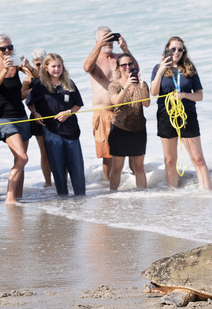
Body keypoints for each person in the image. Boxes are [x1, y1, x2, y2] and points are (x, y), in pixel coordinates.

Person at [150, 36, 212, 190]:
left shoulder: (189, 68)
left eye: (180, 49)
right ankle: (173, 198)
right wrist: (161, 70)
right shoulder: (159, 68)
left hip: (187, 116)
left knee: (198, 159)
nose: (176, 52)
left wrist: (184, 95)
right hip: (166, 116)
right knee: (170, 161)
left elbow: (199, 95)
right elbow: (154, 92)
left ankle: (208, 194)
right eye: (173, 49)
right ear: (167, 50)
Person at [0, 34, 38, 204]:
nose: (8, 51)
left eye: (10, 47)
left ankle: (18, 196)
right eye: (3, 48)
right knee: (22, 157)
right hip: (4, 117)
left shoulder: (15, 63)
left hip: (21, 115)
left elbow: (37, 77)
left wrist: (27, 66)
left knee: (19, 160)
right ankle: (9, 197)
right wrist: (4, 69)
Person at [83, 26, 139, 180]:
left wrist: (126, 49)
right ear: (98, 40)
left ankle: (137, 188)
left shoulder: (120, 58)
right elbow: (87, 67)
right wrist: (99, 45)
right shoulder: (94, 60)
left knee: (132, 152)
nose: (108, 41)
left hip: (125, 111)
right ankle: (111, 191)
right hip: (103, 113)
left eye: (110, 37)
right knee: (108, 155)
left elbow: (135, 70)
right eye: (104, 38)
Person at [26, 53, 85, 196]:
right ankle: (62, 199)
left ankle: (81, 199)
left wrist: (69, 112)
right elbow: (29, 102)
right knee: (58, 168)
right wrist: (35, 113)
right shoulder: (40, 85)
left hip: (71, 130)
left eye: (59, 66)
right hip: (51, 131)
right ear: (46, 68)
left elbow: (78, 104)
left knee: (76, 168)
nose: (57, 69)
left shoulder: (69, 83)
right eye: (53, 66)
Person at [108, 53, 150, 190]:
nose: (127, 67)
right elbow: (115, 103)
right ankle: (112, 195)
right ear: (119, 68)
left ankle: (142, 197)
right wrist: (126, 86)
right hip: (119, 129)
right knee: (117, 168)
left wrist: (142, 87)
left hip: (138, 129)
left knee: (139, 167)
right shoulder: (114, 85)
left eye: (130, 64)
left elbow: (146, 104)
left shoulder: (142, 83)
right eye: (124, 65)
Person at [22, 48, 52, 187]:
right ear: (33, 63)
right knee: (45, 152)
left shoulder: (52, 76)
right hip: (37, 116)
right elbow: (22, 97)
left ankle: (62, 180)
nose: (40, 67)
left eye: (42, 64)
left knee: (59, 150)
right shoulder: (29, 80)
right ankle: (48, 182)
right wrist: (36, 88)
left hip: (54, 116)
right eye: (38, 64)